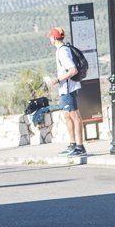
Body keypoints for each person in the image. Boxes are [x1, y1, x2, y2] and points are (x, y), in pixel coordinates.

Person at [45, 27, 86, 157]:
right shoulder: (62, 50)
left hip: (69, 89)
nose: (50, 39)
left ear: (54, 38)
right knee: (67, 116)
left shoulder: (63, 52)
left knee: (75, 116)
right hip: (65, 89)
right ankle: (73, 144)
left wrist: (56, 80)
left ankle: (80, 147)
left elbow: (73, 70)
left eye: (50, 37)